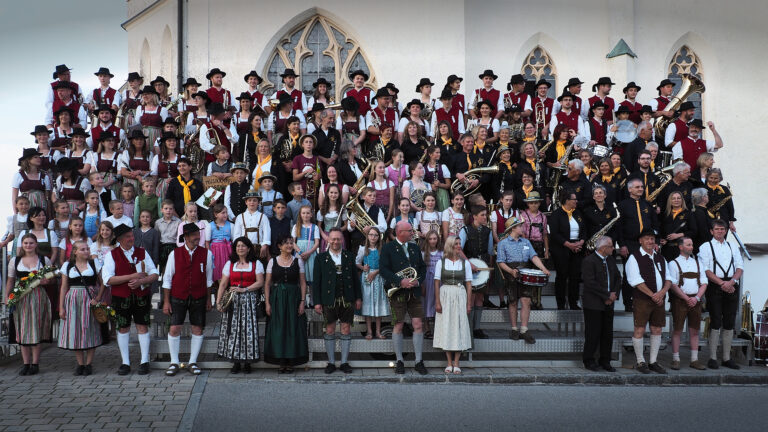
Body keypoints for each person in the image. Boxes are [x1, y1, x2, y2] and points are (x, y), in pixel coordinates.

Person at [102, 224, 159, 375]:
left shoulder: (142, 252)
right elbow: (107, 280)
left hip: (141, 296)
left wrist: (141, 282)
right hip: (121, 298)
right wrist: (132, 276)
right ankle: (125, 362)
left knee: (142, 326)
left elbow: (154, 273)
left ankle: (144, 361)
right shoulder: (111, 255)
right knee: (123, 327)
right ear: (119, 239)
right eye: (128, 237)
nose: (131, 238)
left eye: (132, 236)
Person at [162, 223, 214, 376]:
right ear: (186, 237)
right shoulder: (175, 254)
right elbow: (167, 279)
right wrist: (166, 301)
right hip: (178, 296)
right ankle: (174, 362)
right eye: (194, 235)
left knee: (197, 328)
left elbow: (209, 279)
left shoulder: (207, 254)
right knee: (174, 328)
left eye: (198, 234)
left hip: (199, 296)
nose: (197, 237)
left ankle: (193, 361)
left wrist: (209, 299)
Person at [311, 228, 362, 374]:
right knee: (330, 329)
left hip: (347, 298)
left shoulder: (349, 256)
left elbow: (355, 279)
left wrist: (358, 297)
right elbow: (317, 282)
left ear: (342, 240)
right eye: (333, 239)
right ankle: (331, 363)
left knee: (346, 329)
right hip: (329, 299)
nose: (335, 241)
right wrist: (317, 302)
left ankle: (344, 362)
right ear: (328, 240)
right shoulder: (320, 258)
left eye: (338, 239)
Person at [380, 221, 428, 375]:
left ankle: (418, 361)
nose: (412, 233)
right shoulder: (388, 248)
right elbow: (383, 270)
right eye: (410, 231)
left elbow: (422, 267)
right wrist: (400, 281)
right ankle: (399, 360)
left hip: (414, 292)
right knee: (399, 325)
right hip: (398, 292)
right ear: (400, 232)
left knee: (418, 324)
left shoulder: (414, 247)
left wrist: (418, 281)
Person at [4, 234, 54, 375]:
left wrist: (47, 281)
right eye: (25, 243)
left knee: (36, 328)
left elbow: (51, 279)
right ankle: (26, 363)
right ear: (22, 244)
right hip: (21, 298)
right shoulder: (15, 260)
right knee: (22, 329)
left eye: (31, 243)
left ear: (36, 244)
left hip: (38, 296)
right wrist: (7, 297)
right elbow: (10, 280)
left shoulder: (44, 260)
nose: (28, 245)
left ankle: (35, 363)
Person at [699, 219, 744, 370]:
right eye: (717, 229)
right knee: (716, 320)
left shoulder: (733, 246)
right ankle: (712, 357)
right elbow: (706, 270)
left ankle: (726, 357)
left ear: (726, 231)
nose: (720, 231)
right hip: (715, 285)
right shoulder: (705, 246)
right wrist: (722, 283)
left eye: (722, 229)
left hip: (731, 285)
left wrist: (731, 282)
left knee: (730, 321)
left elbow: (739, 266)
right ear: (711, 231)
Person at [497, 217, 550, 343]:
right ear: (513, 228)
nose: (523, 228)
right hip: (512, 272)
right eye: (520, 226)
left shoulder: (526, 242)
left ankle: (524, 329)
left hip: (525, 271)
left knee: (526, 300)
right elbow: (500, 262)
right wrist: (510, 271)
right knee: (513, 301)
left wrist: (543, 268)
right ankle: (514, 328)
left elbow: (533, 257)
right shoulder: (502, 243)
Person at [216, 236, 264, 373]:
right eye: (238, 246)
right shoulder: (230, 264)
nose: (240, 248)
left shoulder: (256, 263)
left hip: (249, 301)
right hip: (233, 301)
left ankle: (248, 362)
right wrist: (219, 302)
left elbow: (260, 282)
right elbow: (223, 284)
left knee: (248, 331)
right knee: (233, 331)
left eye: (243, 246)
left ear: (249, 248)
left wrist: (245, 289)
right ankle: (236, 362)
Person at [625, 229, 670, 374]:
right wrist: (654, 295)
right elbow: (635, 281)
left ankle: (653, 361)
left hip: (659, 299)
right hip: (642, 299)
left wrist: (662, 293)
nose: (650, 241)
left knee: (657, 329)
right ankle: (640, 361)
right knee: (640, 329)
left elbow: (669, 279)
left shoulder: (660, 258)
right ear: (640, 241)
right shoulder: (634, 257)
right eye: (647, 239)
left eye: (652, 239)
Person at [58, 241, 104, 375]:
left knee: (90, 328)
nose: (86, 251)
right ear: (75, 251)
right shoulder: (68, 265)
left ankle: (88, 363)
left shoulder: (94, 263)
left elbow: (103, 283)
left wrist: (98, 298)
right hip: (72, 299)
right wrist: (61, 307)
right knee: (75, 330)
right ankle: (80, 364)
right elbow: (64, 287)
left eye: (87, 249)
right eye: (83, 249)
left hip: (90, 299)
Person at [264, 235, 308, 372]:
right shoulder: (272, 261)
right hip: (277, 298)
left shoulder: (298, 261)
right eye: (286, 243)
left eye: (291, 243)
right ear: (279, 246)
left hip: (293, 298)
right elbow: (267, 284)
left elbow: (302, 283)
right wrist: (267, 303)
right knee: (279, 328)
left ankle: (291, 360)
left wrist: (302, 301)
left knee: (292, 328)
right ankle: (281, 360)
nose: (289, 245)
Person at [432, 235, 473, 374]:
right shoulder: (441, 262)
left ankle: (457, 361)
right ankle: (449, 362)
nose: (459, 246)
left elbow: (469, 284)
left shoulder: (465, 263)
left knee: (459, 326)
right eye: (456, 243)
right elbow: (436, 283)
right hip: (445, 295)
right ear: (450, 246)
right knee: (447, 326)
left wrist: (468, 303)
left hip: (460, 294)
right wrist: (437, 302)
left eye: (460, 243)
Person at [580, 236, 621, 372]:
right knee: (593, 333)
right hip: (593, 304)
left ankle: (605, 360)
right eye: (611, 246)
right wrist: (606, 295)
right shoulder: (589, 261)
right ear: (603, 248)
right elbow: (590, 282)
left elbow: (617, 277)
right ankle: (589, 360)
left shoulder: (610, 260)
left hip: (609, 303)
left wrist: (614, 294)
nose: (613, 249)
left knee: (607, 333)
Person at [667, 237, 708, 370]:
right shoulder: (673, 263)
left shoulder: (697, 263)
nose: (691, 247)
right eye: (688, 245)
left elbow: (704, 282)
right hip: (680, 300)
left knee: (695, 331)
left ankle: (694, 360)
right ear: (680, 247)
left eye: (691, 245)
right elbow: (672, 284)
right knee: (677, 330)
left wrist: (696, 298)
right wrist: (686, 298)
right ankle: (675, 359)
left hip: (695, 300)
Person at [617, 178, 658, 311]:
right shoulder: (622, 205)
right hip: (630, 243)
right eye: (637, 187)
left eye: (641, 187)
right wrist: (622, 245)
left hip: (647, 244)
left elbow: (654, 224)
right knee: (629, 273)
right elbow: (619, 227)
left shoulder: (647, 205)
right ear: (629, 189)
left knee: (646, 273)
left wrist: (655, 241)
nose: (640, 189)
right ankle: (628, 303)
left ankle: (644, 300)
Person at [458, 206, 494, 338]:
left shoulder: (488, 231)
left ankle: (477, 328)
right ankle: (468, 328)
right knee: (471, 298)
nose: (485, 217)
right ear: (475, 216)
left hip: (483, 268)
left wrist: (487, 270)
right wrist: (468, 263)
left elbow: (489, 252)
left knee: (480, 297)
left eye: (486, 215)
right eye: (483, 215)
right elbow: (458, 249)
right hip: (469, 269)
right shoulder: (465, 230)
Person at [548, 191, 586, 310]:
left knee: (575, 276)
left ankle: (573, 302)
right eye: (574, 199)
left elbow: (584, 229)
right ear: (567, 201)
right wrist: (568, 245)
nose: (576, 201)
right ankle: (561, 303)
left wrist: (581, 242)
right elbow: (554, 233)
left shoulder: (578, 213)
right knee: (562, 276)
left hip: (577, 247)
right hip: (561, 248)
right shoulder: (556, 214)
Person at [232, 189, 271, 259]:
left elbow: (267, 232)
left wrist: (265, 245)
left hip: (259, 248)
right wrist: (238, 247)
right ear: (246, 202)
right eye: (249, 200)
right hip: (244, 249)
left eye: (254, 200)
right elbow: (236, 235)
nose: (252, 203)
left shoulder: (263, 217)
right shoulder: (240, 217)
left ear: (258, 202)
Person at [659, 191, 694, 261]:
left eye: (678, 198)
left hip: (682, 250)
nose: (676, 200)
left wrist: (679, 235)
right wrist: (662, 239)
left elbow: (694, 231)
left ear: (682, 200)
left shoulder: (688, 214)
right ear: (670, 201)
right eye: (673, 198)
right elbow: (661, 230)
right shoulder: (665, 215)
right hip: (667, 250)